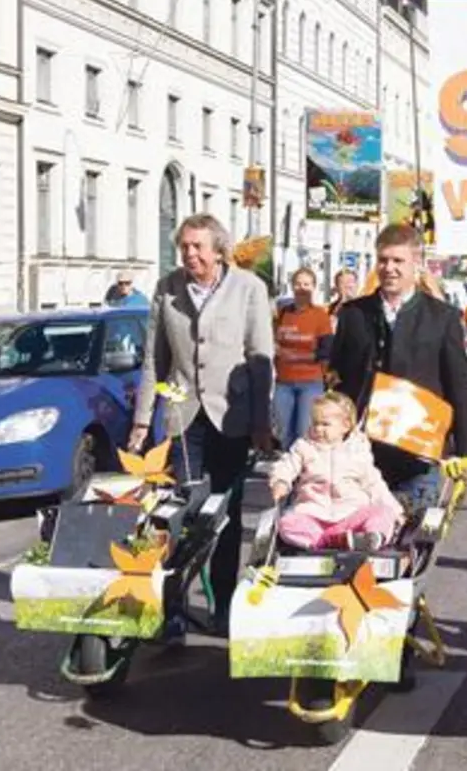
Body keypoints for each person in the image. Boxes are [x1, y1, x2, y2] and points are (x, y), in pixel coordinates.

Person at [129, 213, 275, 635]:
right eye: (184, 247)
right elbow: (155, 360)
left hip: (232, 415)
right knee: (183, 513)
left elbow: (261, 359)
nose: (190, 254)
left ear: (218, 250)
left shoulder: (249, 288)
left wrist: (262, 422)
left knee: (225, 516)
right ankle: (172, 607)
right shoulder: (168, 288)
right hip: (183, 414)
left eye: (198, 247)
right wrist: (143, 420)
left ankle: (225, 605)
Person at [327, 224, 467, 507]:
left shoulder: (443, 318)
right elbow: (339, 383)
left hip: (418, 452)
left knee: (410, 541)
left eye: (398, 261)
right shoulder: (353, 315)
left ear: (416, 264)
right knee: (361, 540)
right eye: (383, 260)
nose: (389, 268)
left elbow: (458, 388)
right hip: (363, 453)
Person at [269, 392, 405, 551]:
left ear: (345, 426)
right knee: (287, 522)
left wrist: (396, 511)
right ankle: (324, 542)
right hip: (314, 515)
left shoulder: (357, 451)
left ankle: (371, 538)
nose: (318, 429)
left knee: (382, 513)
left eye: (325, 424)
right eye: (315, 423)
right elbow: (288, 464)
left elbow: (374, 483)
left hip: (351, 516)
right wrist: (281, 481)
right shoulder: (304, 446)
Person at [274, 267, 334, 448]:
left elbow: (326, 351)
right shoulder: (283, 313)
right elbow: (273, 339)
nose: (302, 288)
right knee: (283, 431)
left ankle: (303, 472)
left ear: (314, 287)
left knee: (304, 431)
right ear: (292, 286)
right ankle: (289, 468)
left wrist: (296, 356)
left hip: (310, 381)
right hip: (283, 381)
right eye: (298, 284)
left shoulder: (320, 315)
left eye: (306, 284)